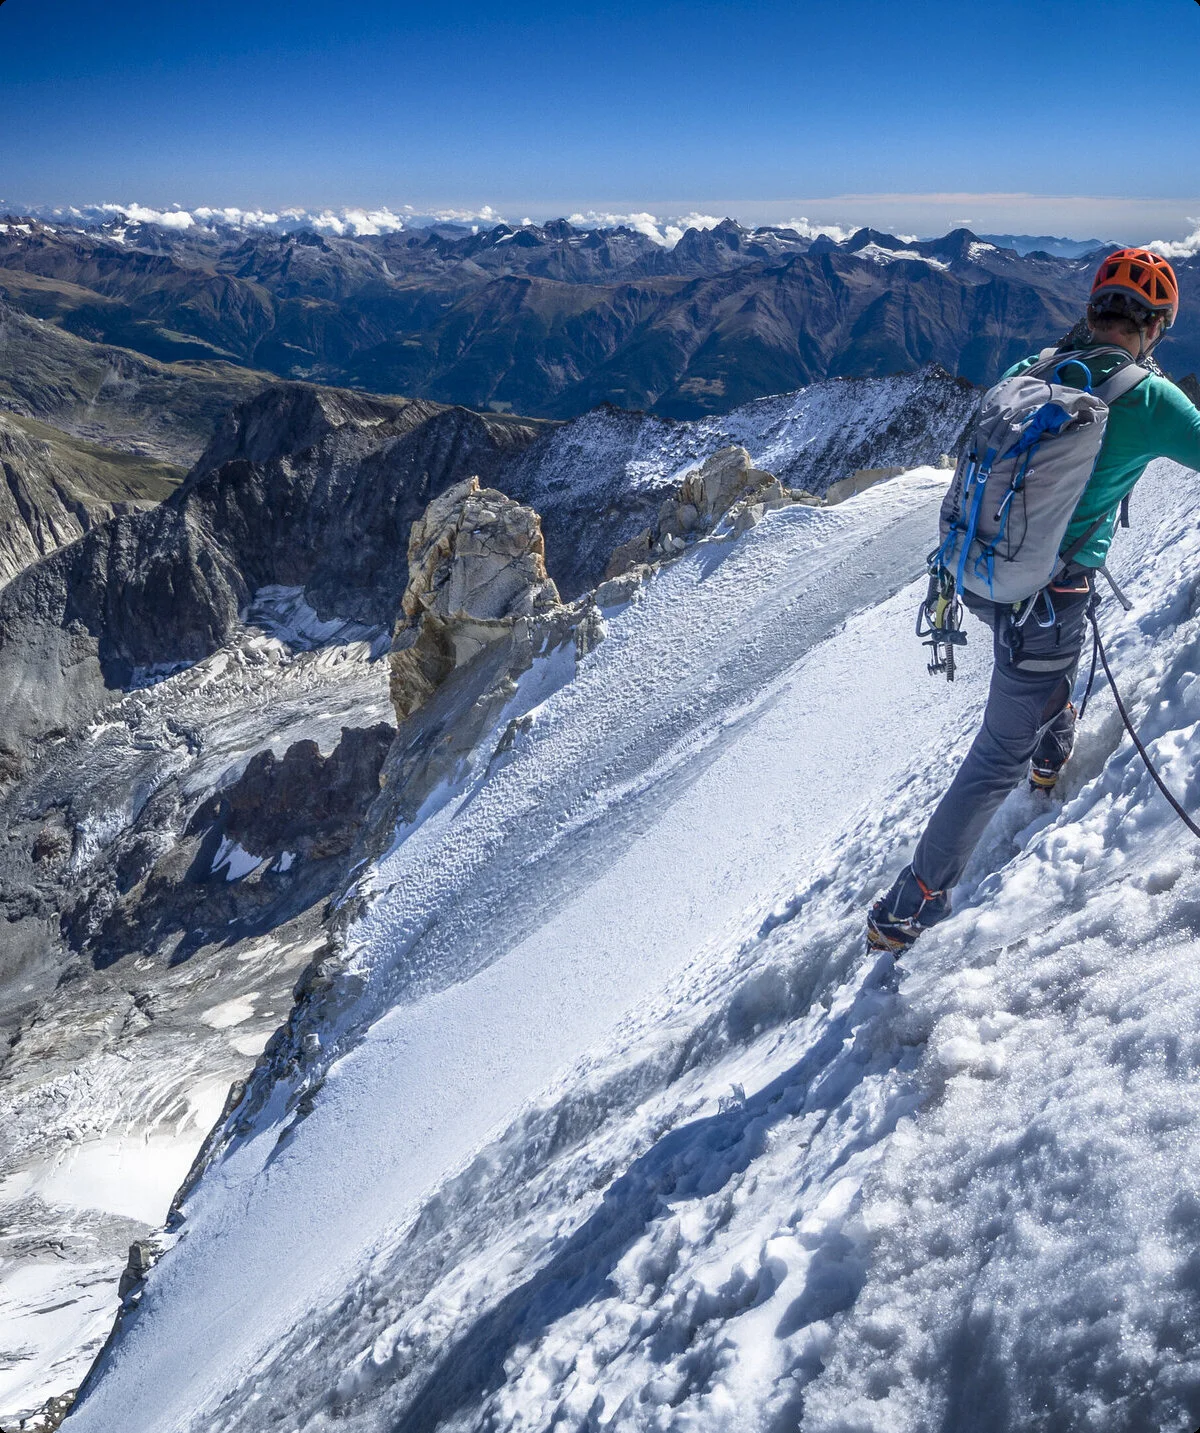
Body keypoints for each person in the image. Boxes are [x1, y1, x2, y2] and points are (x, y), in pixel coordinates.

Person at [868, 247, 1200, 954]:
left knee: (1037, 681)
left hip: (990, 577)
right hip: (1051, 599)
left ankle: (1051, 747)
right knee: (995, 755)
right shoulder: (1148, 398)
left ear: (1094, 309)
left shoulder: (1037, 367)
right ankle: (909, 903)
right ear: (1157, 326)